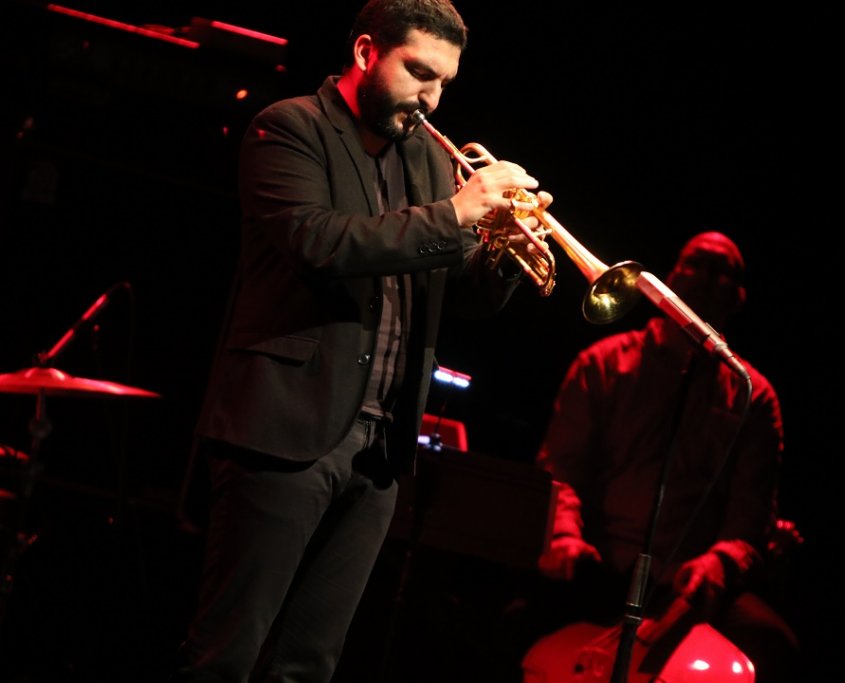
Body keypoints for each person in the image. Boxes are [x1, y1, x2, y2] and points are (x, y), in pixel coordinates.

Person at [170, 1, 553, 681]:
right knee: (225, 653)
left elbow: (453, 293)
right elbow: (319, 243)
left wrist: (504, 253)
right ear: (367, 51)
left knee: (309, 664)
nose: (431, 99)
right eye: (419, 73)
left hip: (380, 446)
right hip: (283, 432)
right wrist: (459, 212)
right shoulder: (288, 128)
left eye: (443, 84)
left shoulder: (428, 165)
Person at [501, 231, 800, 683]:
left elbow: (750, 520)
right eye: (697, 264)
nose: (706, 279)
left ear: (738, 297)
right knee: (508, 620)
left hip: (688, 588)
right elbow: (561, 472)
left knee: (772, 644)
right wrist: (564, 536)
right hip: (599, 565)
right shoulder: (601, 364)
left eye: (723, 272)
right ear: (671, 276)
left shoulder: (752, 395)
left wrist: (718, 563)